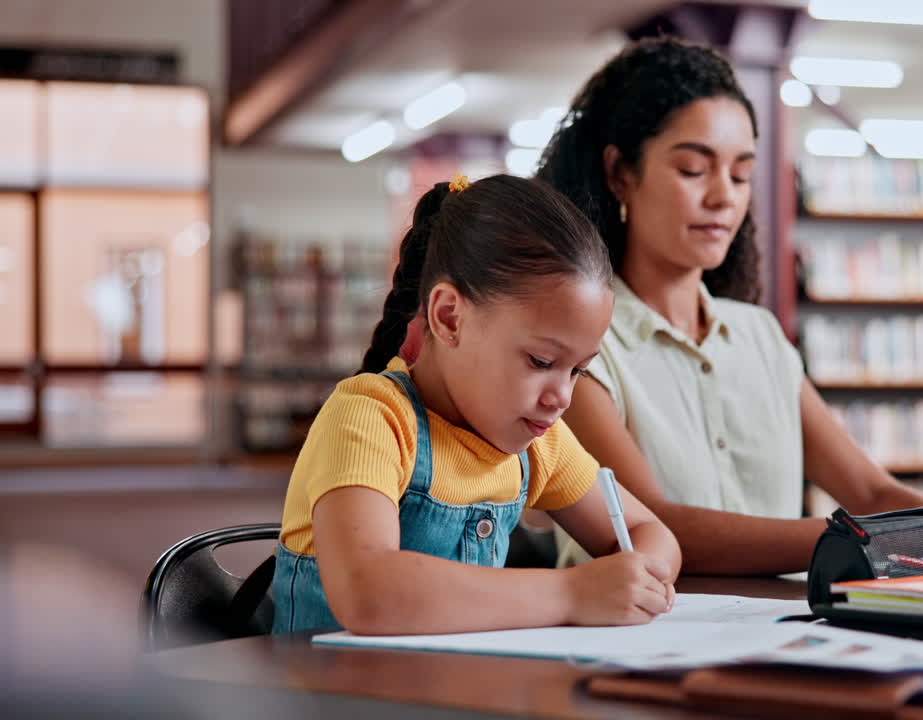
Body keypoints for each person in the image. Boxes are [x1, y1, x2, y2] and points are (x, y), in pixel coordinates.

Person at [536, 37, 923, 575]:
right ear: (620, 173)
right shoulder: (582, 344)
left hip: (778, 627)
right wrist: (872, 535)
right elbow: (653, 527)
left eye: (741, 174)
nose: (723, 196)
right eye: (692, 169)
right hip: (636, 634)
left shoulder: (760, 336)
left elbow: (868, 488)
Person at [272, 174, 681, 635]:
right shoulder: (371, 419)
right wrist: (572, 593)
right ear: (449, 317)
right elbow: (368, 593)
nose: (562, 396)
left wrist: (640, 574)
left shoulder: (539, 445)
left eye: (578, 370)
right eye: (541, 360)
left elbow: (656, 534)